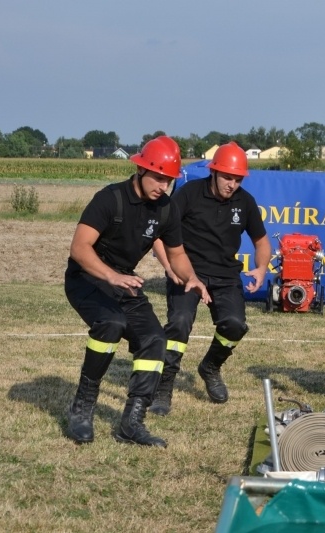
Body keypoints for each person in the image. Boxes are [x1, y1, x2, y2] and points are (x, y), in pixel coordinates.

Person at [64, 135, 210, 447]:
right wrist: (110, 275)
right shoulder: (110, 198)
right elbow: (79, 249)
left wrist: (192, 278)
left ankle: (131, 424)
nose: (163, 186)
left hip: (123, 280)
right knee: (111, 324)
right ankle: (82, 408)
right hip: (86, 277)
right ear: (141, 171)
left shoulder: (166, 209)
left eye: (169, 180)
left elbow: (178, 255)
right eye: (158, 177)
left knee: (155, 339)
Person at [149, 141, 271, 415]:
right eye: (227, 177)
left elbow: (262, 241)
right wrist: (170, 267)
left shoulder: (245, 202)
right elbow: (158, 232)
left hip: (226, 275)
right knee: (179, 325)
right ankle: (164, 387)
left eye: (238, 179)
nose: (232, 184)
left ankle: (211, 367)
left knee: (235, 326)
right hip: (187, 272)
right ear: (213, 172)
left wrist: (262, 267)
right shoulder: (189, 194)